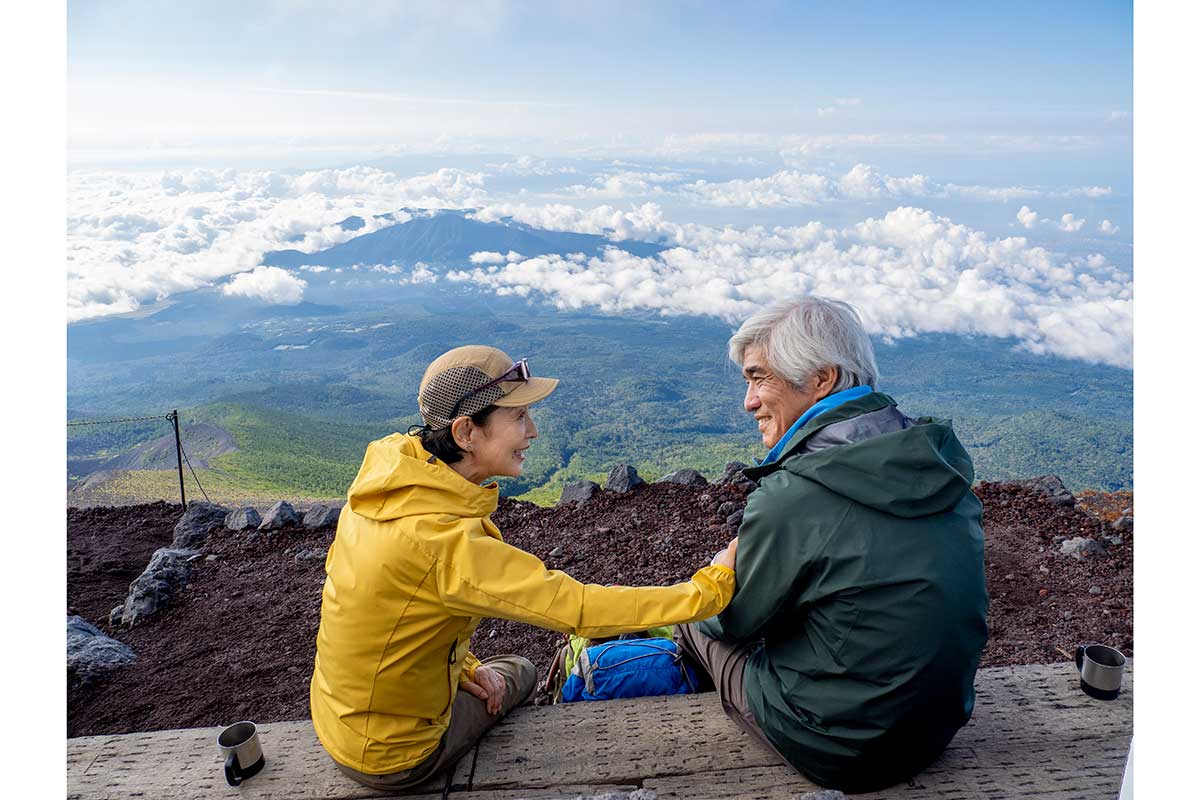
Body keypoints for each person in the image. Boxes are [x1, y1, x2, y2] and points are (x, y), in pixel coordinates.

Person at [310, 345, 739, 792]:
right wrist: (709, 589)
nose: (532, 431)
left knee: (496, 672)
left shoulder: (387, 485)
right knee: (523, 671)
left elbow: (385, 614)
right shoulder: (442, 542)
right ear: (465, 432)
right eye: (517, 418)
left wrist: (467, 667)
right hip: (392, 756)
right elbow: (580, 609)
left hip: (338, 717)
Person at [675, 297, 988, 793]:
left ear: (821, 379)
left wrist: (720, 570)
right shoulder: (936, 464)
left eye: (759, 378)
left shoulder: (793, 496)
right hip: (937, 729)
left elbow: (733, 620)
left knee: (693, 619)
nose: (748, 401)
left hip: (840, 748)